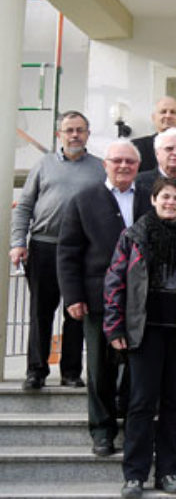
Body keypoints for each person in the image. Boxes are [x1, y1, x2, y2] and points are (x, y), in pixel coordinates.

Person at [103, 177, 176, 499]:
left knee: (173, 404)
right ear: (154, 199)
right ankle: (134, 474)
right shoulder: (133, 235)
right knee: (141, 403)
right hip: (143, 332)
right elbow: (115, 282)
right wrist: (114, 327)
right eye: (165, 196)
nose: (170, 202)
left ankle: (167, 471)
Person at [57, 139, 150, 457]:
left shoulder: (150, 199)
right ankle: (102, 430)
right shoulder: (84, 199)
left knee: (137, 365)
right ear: (104, 164)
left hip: (141, 299)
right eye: (117, 160)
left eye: (130, 161)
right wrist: (73, 296)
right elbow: (68, 252)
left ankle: (128, 421)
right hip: (98, 298)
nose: (124, 166)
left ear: (138, 166)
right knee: (99, 367)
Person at [11, 110, 104, 390]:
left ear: (88, 134)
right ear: (59, 135)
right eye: (69, 130)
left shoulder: (100, 168)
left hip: (83, 252)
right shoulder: (43, 165)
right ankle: (36, 371)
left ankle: (71, 372)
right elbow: (25, 206)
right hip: (44, 246)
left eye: (80, 130)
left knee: (76, 312)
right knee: (40, 311)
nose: (74, 135)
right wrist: (18, 243)